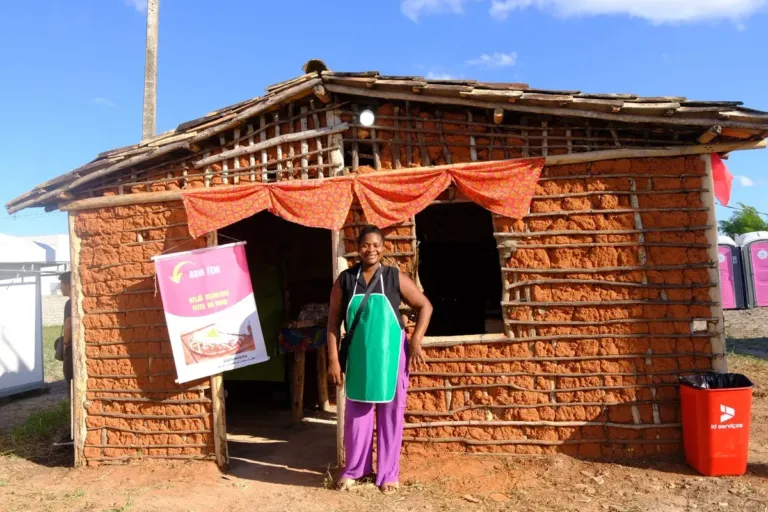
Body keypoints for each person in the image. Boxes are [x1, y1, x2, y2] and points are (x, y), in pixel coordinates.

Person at [327, 225, 433, 495]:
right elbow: (332, 323)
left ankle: (388, 474)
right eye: (365, 245)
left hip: (391, 358)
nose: (370, 250)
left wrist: (416, 340)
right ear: (357, 247)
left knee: (390, 415)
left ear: (383, 248)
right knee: (357, 416)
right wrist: (333, 361)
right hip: (359, 358)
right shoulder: (345, 280)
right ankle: (355, 470)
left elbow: (425, 306)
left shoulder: (393, 277)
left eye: (376, 245)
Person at [59, 272, 73, 399]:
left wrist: (65, 345)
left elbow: (68, 325)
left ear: (68, 285)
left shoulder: (70, 303)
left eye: (61, 285)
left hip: (71, 352)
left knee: (71, 385)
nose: (60, 288)